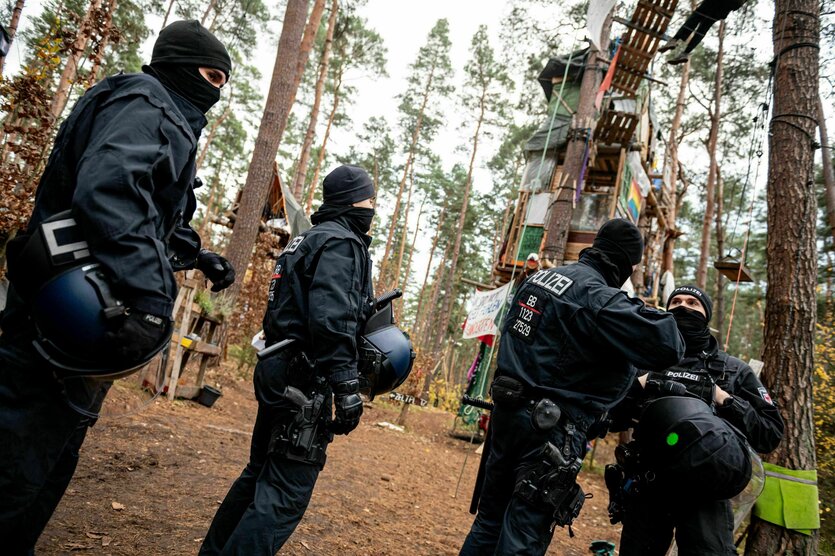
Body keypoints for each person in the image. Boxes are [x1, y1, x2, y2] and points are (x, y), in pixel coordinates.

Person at [0, 20, 234, 554]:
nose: (216, 90)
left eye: (225, 82)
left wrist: (196, 255)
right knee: (18, 463)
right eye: (210, 75)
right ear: (177, 64)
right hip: (63, 311)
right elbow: (109, 193)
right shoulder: (148, 104)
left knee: (51, 458)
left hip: (82, 317)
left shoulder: (152, 109)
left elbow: (146, 215)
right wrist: (152, 299)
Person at [459, 218, 685, 556]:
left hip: (507, 418)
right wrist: (638, 307)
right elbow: (671, 344)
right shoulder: (597, 295)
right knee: (523, 535)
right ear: (627, 262)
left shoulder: (537, 281)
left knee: (490, 521)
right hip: (550, 432)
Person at [200, 164, 377, 556]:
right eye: (368, 198)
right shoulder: (342, 243)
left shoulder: (307, 239)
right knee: (283, 493)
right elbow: (332, 320)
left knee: (258, 475)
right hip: (305, 383)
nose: (372, 207)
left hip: (279, 370)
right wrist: (347, 385)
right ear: (351, 201)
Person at [609, 285, 784, 556]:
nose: (683, 307)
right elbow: (607, 417)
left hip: (707, 489)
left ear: (706, 315)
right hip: (648, 483)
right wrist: (638, 386)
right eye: (676, 302)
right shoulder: (645, 363)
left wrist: (723, 398)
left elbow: (769, 433)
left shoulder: (733, 370)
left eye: (693, 303)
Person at [659, 0, 750, 65]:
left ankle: (675, 40)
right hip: (726, 8)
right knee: (704, 28)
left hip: (715, 2)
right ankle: (685, 53)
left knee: (696, 17)